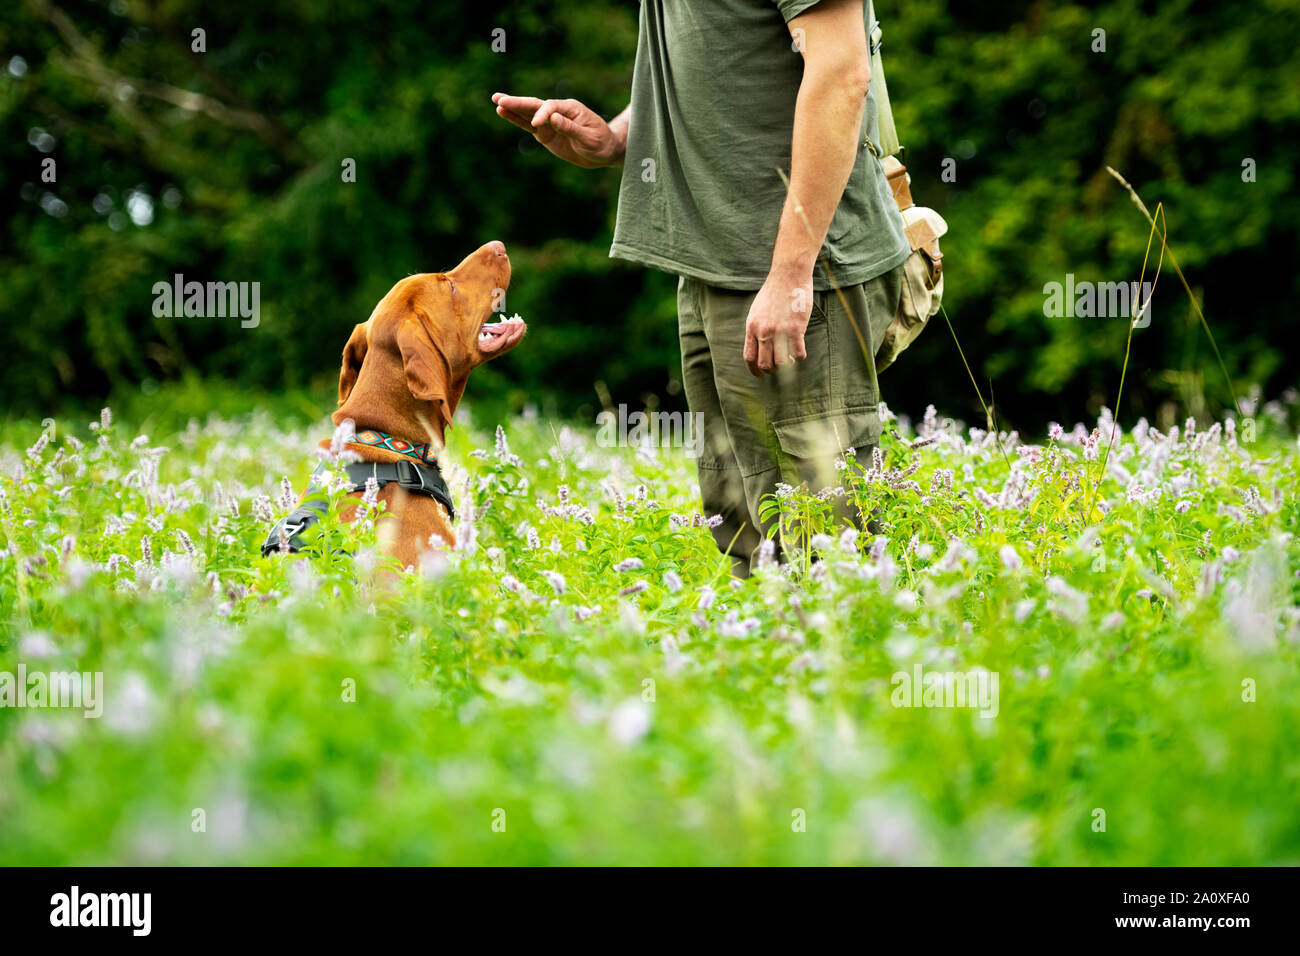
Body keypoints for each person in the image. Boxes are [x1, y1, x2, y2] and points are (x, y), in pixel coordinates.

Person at [493, 0, 909, 577]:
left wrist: (790, 272)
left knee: (830, 550)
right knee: (747, 542)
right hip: (717, 268)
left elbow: (842, 72)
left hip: (797, 270)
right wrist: (618, 137)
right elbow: (723, 58)